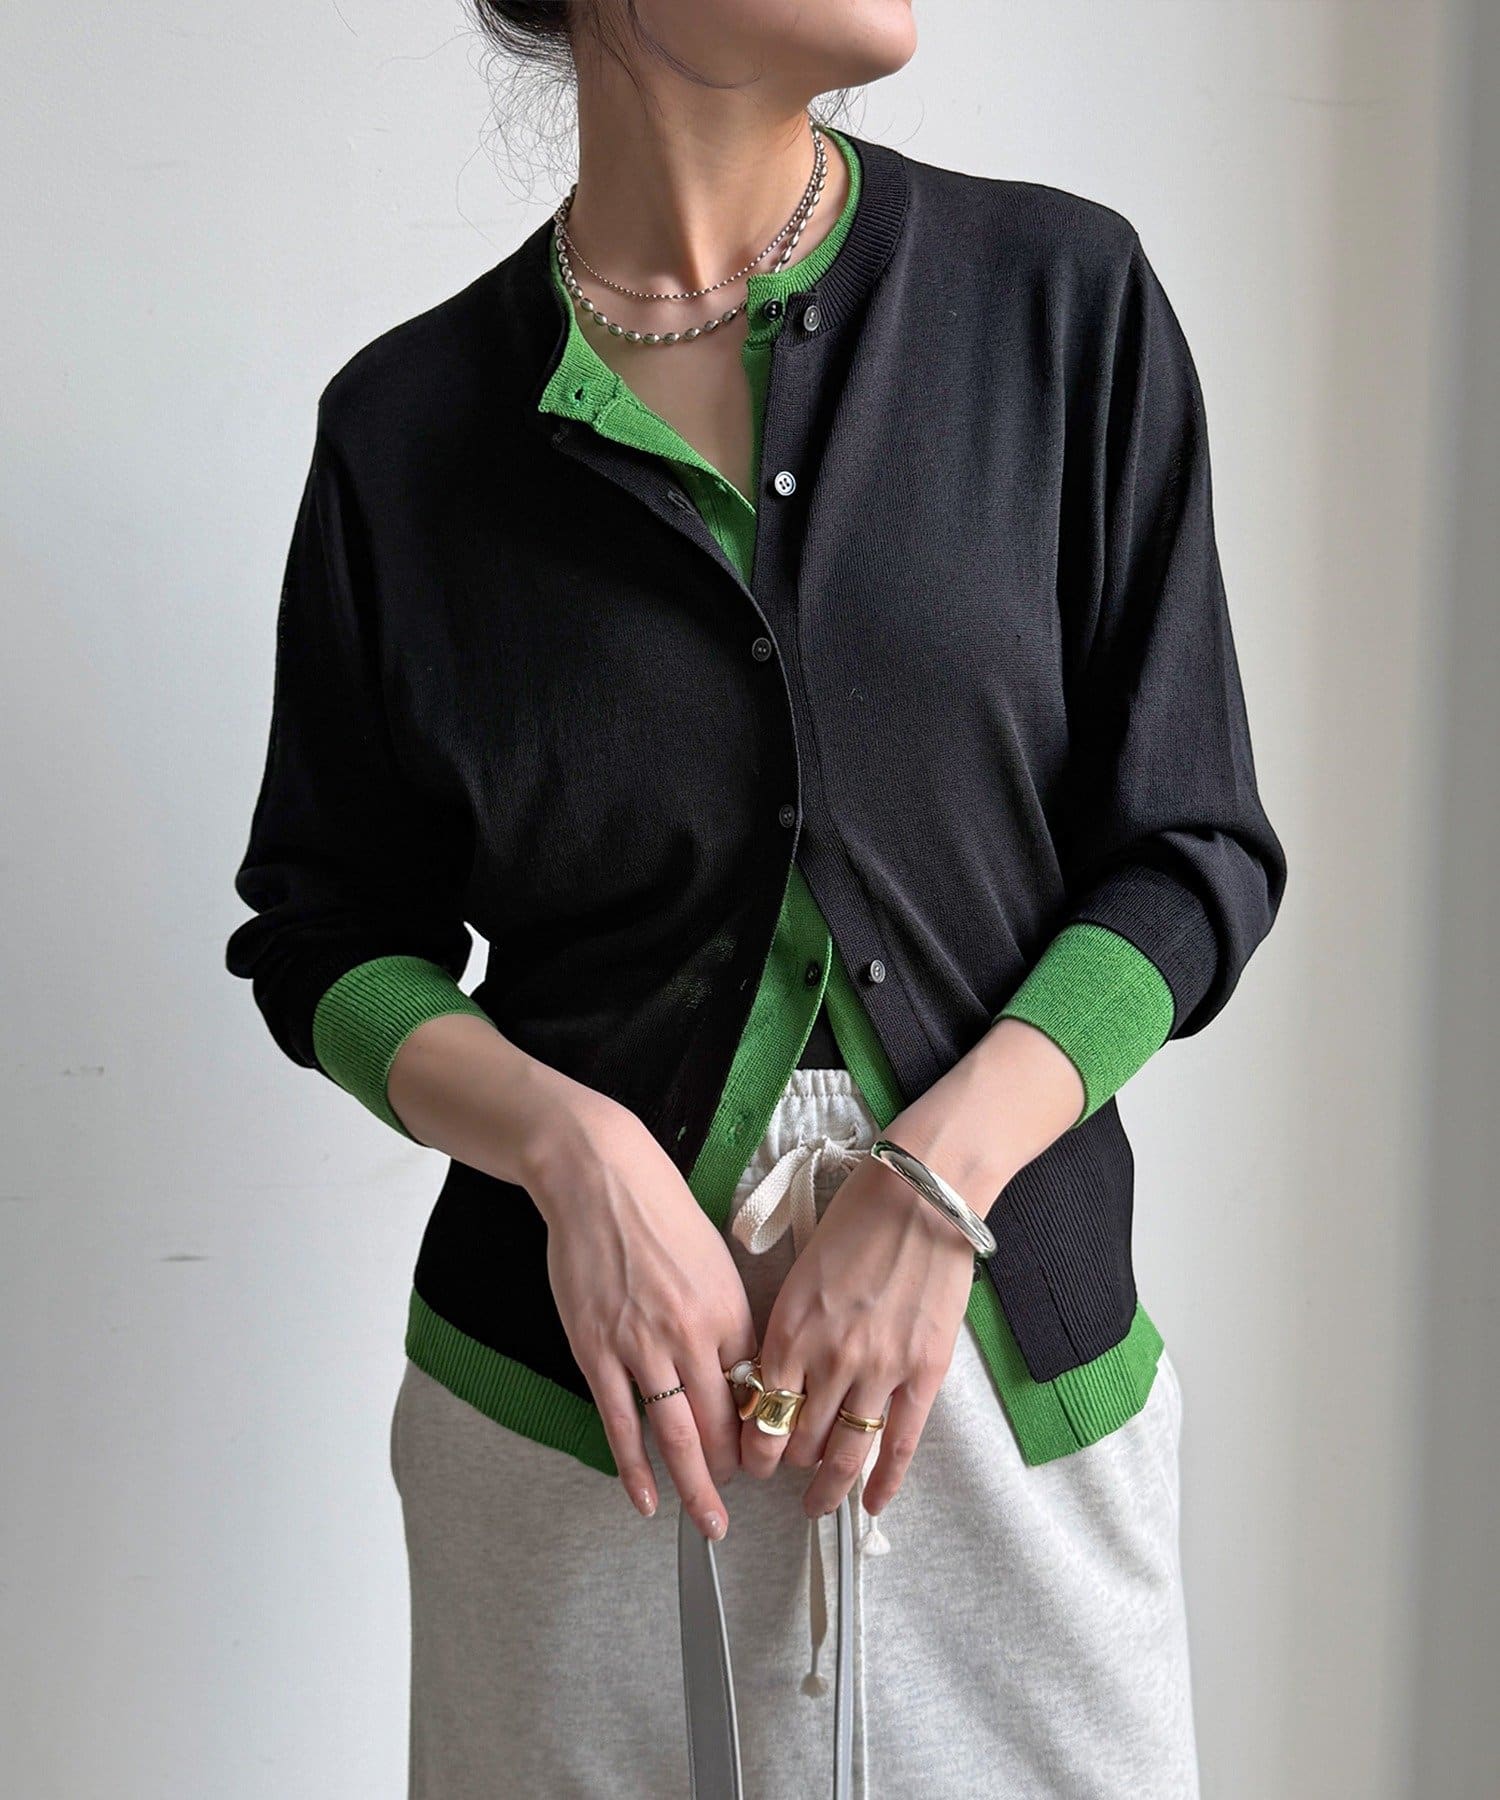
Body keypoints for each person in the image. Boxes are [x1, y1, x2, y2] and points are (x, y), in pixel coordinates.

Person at [225, 3, 1287, 1794]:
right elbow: (324, 930)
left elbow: (1193, 851)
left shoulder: (1057, 305)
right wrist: (569, 1151)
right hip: (574, 1421)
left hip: (1002, 1394)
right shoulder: (405, 431)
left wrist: (938, 1181)